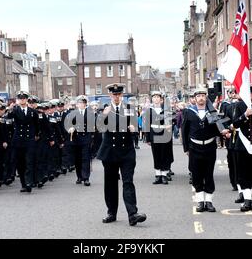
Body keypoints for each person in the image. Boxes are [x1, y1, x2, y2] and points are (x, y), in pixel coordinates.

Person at [97, 83, 147, 226]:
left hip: (126, 151)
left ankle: (132, 214)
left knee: (128, 182)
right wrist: (104, 116)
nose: (117, 97)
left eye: (119, 94)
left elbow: (137, 127)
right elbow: (99, 128)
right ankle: (111, 212)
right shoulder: (104, 109)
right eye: (114, 94)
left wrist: (134, 129)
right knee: (110, 184)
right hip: (110, 152)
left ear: (122, 95)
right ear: (110, 95)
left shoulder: (130, 109)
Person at [182, 88, 228, 212]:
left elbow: (218, 128)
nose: (201, 98)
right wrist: (186, 148)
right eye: (198, 96)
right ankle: (200, 201)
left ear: (206, 98)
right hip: (194, 147)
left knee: (208, 174)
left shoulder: (212, 112)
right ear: (195, 99)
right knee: (196, 175)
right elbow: (184, 130)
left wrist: (223, 132)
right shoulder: (188, 112)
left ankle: (209, 201)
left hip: (209, 147)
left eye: (203, 96)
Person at [8, 91, 40, 193]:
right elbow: (8, 118)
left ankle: (29, 182)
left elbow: (37, 125)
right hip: (18, 140)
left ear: (27, 99)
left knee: (29, 162)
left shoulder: (33, 112)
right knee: (20, 163)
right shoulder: (15, 110)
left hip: (29, 140)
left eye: (24, 98)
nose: (22, 100)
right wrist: (11, 108)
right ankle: (23, 184)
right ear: (18, 100)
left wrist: (36, 135)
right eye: (20, 98)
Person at [144, 91, 174, 185]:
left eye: (158, 97)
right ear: (152, 99)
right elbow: (147, 125)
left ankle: (164, 175)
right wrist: (148, 138)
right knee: (156, 155)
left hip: (164, 135)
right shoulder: (149, 110)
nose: (156, 99)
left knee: (164, 155)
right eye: (154, 97)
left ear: (161, 99)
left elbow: (170, 123)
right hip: (154, 135)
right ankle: (158, 175)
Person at [67, 95, 95, 186]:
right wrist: (70, 128)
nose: (81, 104)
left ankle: (86, 178)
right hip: (76, 139)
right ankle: (79, 176)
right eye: (79, 103)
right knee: (77, 158)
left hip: (86, 138)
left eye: (83, 103)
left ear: (85, 104)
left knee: (86, 158)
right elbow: (68, 124)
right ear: (77, 104)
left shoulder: (90, 113)